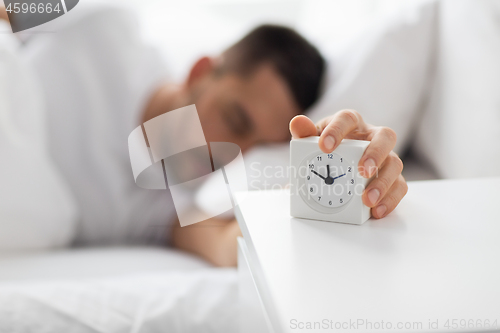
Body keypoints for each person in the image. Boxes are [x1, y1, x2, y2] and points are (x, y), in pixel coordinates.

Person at [0, 4, 406, 266]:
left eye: (255, 147)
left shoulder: (175, 207)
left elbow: (233, 246)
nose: (233, 153)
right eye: (235, 120)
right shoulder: (105, 22)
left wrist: (348, 179)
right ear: (200, 72)